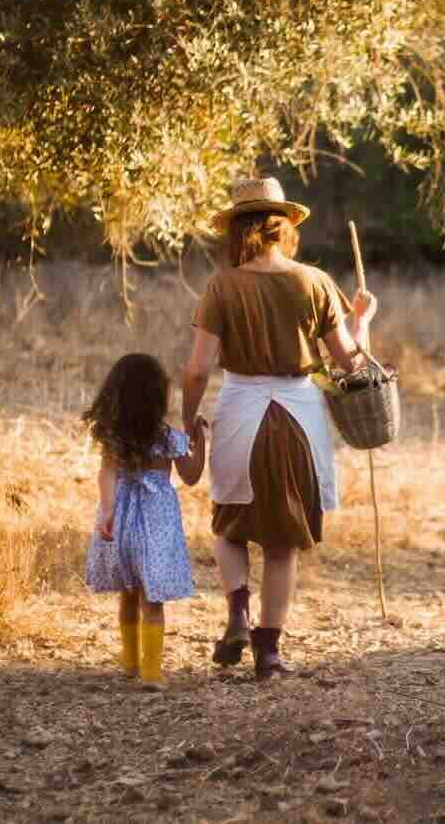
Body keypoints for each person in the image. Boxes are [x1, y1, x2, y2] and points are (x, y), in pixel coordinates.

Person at [181, 178, 377, 680]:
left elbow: (198, 369)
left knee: (229, 524)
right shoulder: (313, 282)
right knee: (282, 540)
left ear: (239, 230)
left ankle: (237, 616)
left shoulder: (223, 286)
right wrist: (363, 322)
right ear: (283, 226)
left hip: (239, 407)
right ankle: (268, 655)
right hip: (297, 411)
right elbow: (351, 363)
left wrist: (188, 419)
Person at [83, 353, 206, 690]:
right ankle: (152, 673)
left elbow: (106, 473)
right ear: (157, 398)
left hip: (122, 522)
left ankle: (130, 664)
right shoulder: (167, 437)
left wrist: (108, 511)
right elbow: (192, 475)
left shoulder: (115, 439)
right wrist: (198, 441)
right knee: (152, 599)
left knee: (128, 592)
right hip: (155, 524)